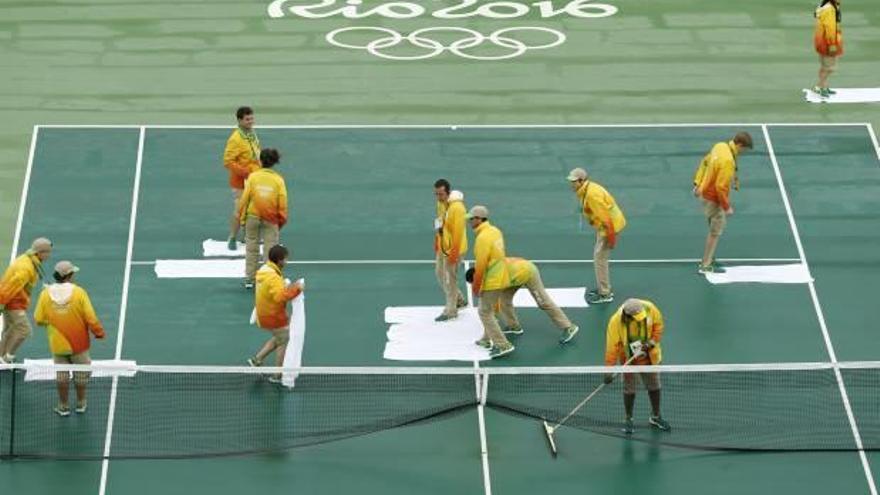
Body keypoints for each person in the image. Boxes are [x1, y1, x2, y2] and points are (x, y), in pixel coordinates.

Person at [33, 261, 105, 416]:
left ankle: (63, 406)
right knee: (81, 373)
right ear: (69, 275)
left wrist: (54, 318)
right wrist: (98, 332)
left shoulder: (45, 294)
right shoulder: (79, 292)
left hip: (58, 343)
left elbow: (38, 319)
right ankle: (81, 403)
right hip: (78, 343)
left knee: (62, 375)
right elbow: (90, 317)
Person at [466, 257, 579, 344]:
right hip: (513, 276)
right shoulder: (483, 270)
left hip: (528, 272)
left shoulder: (494, 279)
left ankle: (568, 327)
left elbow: (493, 309)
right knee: (505, 300)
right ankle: (514, 326)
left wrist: (486, 337)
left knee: (543, 302)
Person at [603, 298, 670, 435]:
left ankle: (655, 416)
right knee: (629, 390)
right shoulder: (615, 322)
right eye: (636, 318)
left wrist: (652, 342)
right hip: (628, 359)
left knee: (655, 386)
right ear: (626, 316)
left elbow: (659, 326)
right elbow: (612, 348)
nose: (640, 319)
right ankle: (628, 419)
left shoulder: (650, 308)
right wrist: (608, 371)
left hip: (649, 357)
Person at [692, 132, 753, 273]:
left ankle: (709, 258)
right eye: (744, 149)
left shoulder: (720, 146)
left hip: (705, 193)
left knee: (712, 224)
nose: (743, 152)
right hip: (714, 198)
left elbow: (705, 161)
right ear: (739, 145)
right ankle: (705, 265)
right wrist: (727, 207)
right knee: (715, 231)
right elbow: (720, 187)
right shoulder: (728, 161)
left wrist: (697, 182)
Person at [567, 168, 625, 304]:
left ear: (581, 181)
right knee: (599, 257)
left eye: (574, 181)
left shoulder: (592, 195)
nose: (571, 184)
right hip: (604, 226)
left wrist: (611, 239)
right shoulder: (587, 189)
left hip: (608, 227)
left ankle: (605, 293)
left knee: (600, 259)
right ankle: (603, 289)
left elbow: (606, 220)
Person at [247, 245, 303, 383]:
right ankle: (278, 375)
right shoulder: (273, 277)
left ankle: (257, 360)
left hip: (264, 313)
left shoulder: (265, 270)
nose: (287, 261)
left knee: (279, 337)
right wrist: (297, 289)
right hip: (272, 316)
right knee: (284, 339)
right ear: (279, 261)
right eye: (285, 259)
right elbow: (279, 297)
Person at [467, 205, 514, 358]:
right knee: (490, 310)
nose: (469, 221)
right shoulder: (495, 231)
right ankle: (487, 339)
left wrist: (476, 287)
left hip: (492, 280)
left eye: (472, 219)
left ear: (479, 219)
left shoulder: (482, 238)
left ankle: (502, 345)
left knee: (484, 312)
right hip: (502, 276)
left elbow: (480, 266)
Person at [238, 148, 288, 289]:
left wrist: (242, 219)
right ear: (275, 162)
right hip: (271, 219)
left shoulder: (253, 177)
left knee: (251, 249)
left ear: (260, 161)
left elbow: (244, 199)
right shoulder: (278, 180)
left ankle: (250, 279)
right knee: (270, 250)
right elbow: (283, 203)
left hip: (252, 217)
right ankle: (268, 280)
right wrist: (281, 222)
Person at [0, 237, 52, 363]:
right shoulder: (26, 268)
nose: (49, 255)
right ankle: (7, 357)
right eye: (48, 252)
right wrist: (1, 304)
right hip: (13, 303)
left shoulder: (29, 259)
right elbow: (10, 287)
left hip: (14, 301)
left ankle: (1, 355)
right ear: (40, 252)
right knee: (24, 330)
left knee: (10, 329)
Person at [224, 106, 261, 250]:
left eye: (252, 118)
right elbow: (228, 161)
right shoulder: (235, 139)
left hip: (254, 178)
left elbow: (256, 152)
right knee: (239, 209)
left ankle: (247, 236)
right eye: (247, 119)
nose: (251, 122)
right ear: (239, 120)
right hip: (240, 181)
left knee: (253, 209)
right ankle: (232, 237)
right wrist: (245, 172)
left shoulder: (252, 133)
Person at [433, 179, 468, 322]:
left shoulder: (458, 208)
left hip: (454, 249)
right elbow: (440, 223)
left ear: (448, 192)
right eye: (436, 194)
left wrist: (454, 253)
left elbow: (458, 233)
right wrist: (437, 241)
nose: (439, 197)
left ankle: (451, 310)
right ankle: (459, 299)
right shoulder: (440, 204)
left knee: (449, 280)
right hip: (443, 247)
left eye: (441, 194)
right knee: (440, 274)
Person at [813, 0, 843, 98]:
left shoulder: (824, 6)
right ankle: (820, 87)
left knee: (824, 66)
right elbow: (830, 28)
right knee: (829, 67)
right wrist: (832, 44)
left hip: (821, 41)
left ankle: (821, 87)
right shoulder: (830, 9)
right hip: (827, 42)